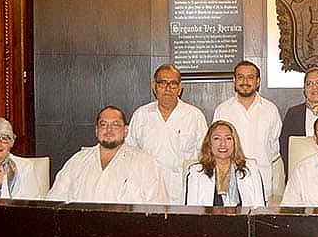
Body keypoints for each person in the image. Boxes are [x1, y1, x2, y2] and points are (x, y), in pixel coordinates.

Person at [47, 106, 168, 204]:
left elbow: (158, 208)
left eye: (115, 125)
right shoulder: (77, 161)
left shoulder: (145, 163)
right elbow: (53, 202)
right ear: (96, 130)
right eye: (103, 124)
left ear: (126, 131)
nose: (109, 130)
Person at [126, 64, 208, 205]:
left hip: (183, 191)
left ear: (180, 88)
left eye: (173, 83)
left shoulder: (194, 115)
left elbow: (205, 155)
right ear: (154, 86)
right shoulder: (141, 115)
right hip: (148, 190)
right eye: (162, 83)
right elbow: (129, 153)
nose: (168, 88)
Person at [213, 60, 282, 200]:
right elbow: (215, 146)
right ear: (234, 80)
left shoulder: (270, 110)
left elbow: (274, 149)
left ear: (258, 81)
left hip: (262, 183)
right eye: (240, 77)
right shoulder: (223, 110)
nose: (245, 81)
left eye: (250, 77)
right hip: (229, 185)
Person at [186, 120, 265, 207]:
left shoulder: (251, 169)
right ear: (209, 143)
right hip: (208, 220)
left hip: (243, 220)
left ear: (235, 142)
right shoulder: (196, 172)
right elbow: (191, 212)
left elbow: (260, 208)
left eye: (228, 138)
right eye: (217, 138)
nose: (223, 144)